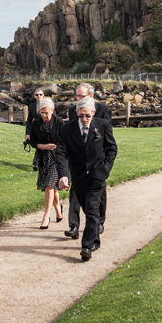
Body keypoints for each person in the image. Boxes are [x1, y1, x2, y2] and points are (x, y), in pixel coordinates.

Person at [57, 97, 117, 261]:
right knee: (87, 208)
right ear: (76, 113)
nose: (84, 119)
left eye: (87, 116)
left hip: (98, 175)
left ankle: (86, 246)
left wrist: (106, 168)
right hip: (78, 177)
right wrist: (63, 174)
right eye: (81, 115)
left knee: (92, 209)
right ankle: (95, 239)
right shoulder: (67, 129)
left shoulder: (102, 126)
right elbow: (61, 153)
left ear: (93, 113)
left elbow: (112, 148)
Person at [66, 83, 112, 240]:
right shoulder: (74, 110)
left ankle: (99, 221)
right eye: (77, 96)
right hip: (78, 163)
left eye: (81, 96)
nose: (78, 99)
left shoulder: (104, 111)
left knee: (99, 194)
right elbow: (71, 135)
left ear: (91, 96)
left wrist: (104, 167)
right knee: (75, 192)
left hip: (97, 163)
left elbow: (105, 138)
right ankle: (74, 225)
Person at [28, 97, 65, 229]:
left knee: (49, 186)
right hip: (44, 159)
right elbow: (32, 142)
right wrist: (42, 146)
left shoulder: (60, 122)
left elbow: (65, 140)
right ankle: (58, 210)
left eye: (46, 113)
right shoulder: (36, 124)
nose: (44, 115)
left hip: (57, 159)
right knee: (52, 189)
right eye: (41, 113)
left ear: (52, 110)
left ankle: (46, 216)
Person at [24, 88, 45, 170]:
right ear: (34, 96)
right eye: (37, 94)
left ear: (43, 95)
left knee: (43, 146)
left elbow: (54, 117)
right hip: (36, 130)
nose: (39, 96)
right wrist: (27, 133)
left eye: (40, 94)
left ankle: (37, 163)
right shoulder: (32, 106)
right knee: (38, 146)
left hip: (46, 128)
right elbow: (29, 121)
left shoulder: (48, 104)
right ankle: (36, 164)